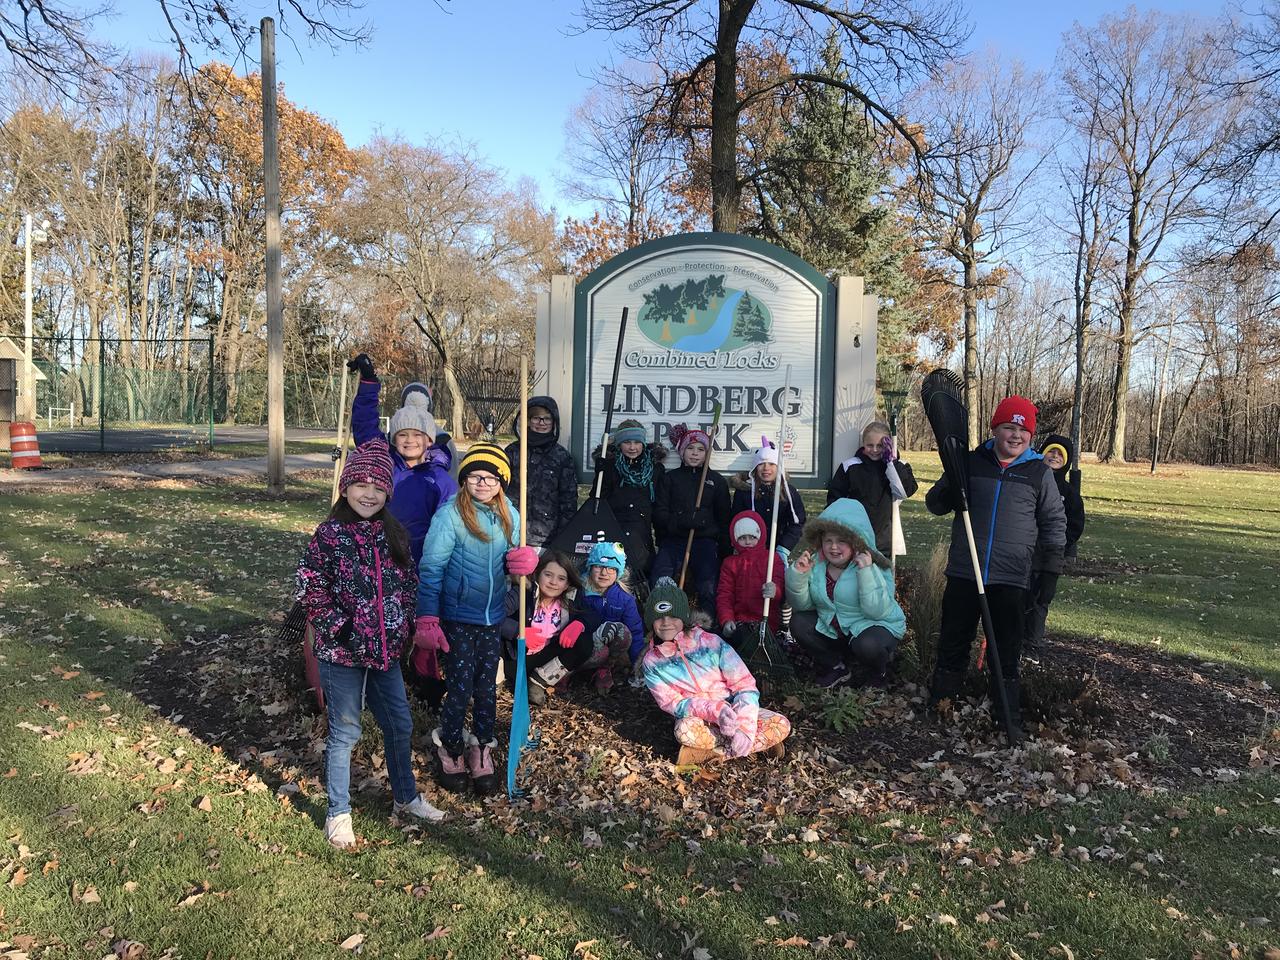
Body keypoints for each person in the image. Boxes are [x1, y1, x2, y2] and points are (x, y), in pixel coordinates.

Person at [295, 439, 446, 848]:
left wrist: (406, 628)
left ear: (388, 493)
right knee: (345, 731)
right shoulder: (330, 534)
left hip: (386, 653)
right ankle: (338, 812)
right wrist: (339, 626)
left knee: (399, 723)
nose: (369, 493)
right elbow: (309, 584)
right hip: (343, 652)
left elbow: (408, 584)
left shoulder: (393, 534)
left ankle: (406, 796)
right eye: (361, 485)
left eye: (378, 487)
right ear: (345, 488)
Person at [924, 396, 1066, 740]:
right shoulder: (971, 463)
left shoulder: (1038, 473)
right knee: (954, 640)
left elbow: (1053, 522)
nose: (1015, 435)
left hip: (1011, 577)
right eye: (1008, 428)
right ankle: (941, 704)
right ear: (995, 429)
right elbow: (935, 503)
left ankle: (1007, 714)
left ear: (1031, 436)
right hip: (965, 571)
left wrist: (1049, 570)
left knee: (1006, 648)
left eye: (1022, 430)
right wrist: (949, 490)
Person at [412, 443, 539, 795]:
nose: (482, 483)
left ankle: (482, 746)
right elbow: (432, 568)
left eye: (491, 477)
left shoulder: (510, 514)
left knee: (487, 689)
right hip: (458, 618)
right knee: (460, 687)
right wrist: (427, 618)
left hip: (492, 618)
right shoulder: (450, 515)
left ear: (502, 482)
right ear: (464, 479)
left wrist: (527, 562)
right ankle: (450, 747)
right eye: (474, 476)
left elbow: (519, 556)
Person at [641, 577, 791, 764]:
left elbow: (744, 684)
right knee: (683, 731)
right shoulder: (652, 662)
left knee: (782, 724)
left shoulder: (711, 642)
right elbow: (674, 704)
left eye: (673, 616)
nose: (666, 622)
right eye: (659, 617)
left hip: (734, 710)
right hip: (700, 718)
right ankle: (749, 746)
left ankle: (717, 751)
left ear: (684, 617)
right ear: (651, 621)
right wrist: (715, 711)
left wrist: (743, 725)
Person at [347, 353, 456, 564]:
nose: (410, 441)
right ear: (393, 439)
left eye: (418, 435)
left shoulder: (440, 479)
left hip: (421, 562)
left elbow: (450, 526)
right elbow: (365, 426)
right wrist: (369, 382)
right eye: (403, 434)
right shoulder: (384, 464)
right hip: (378, 557)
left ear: (430, 440)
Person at [785, 499, 906, 689]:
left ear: (856, 542)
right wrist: (798, 576)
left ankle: (879, 671)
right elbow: (804, 605)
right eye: (828, 541)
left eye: (841, 541)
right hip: (835, 628)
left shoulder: (874, 565)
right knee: (799, 622)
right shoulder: (817, 564)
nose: (834, 547)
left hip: (871, 626)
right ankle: (836, 665)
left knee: (867, 645)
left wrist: (865, 573)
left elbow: (877, 611)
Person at [498, 551, 604, 706]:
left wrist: (579, 624)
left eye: (561, 578)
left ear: (567, 584)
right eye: (548, 575)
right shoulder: (522, 593)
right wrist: (518, 631)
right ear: (537, 574)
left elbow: (594, 615)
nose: (554, 582)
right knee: (489, 637)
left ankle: (539, 681)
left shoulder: (570, 599)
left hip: (545, 659)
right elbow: (493, 615)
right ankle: (493, 679)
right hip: (516, 657)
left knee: (584, 641)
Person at [650, 423, 731, 616]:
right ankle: (662, 621)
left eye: (701, 449)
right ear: (681, 451)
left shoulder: (717, 482)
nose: (695, 454)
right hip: (674, 541)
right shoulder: (671, 479)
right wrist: (681, 521)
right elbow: (660, 514)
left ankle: (708, 628)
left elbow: (724, 518)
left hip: (704, 542)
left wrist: (724, 550)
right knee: (660, 579)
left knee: (708, 584)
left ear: (707, 453)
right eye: (690, 448)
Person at [1023, 433, 1086, 662]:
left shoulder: (1068, 493)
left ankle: (1033, 645)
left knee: (1041, 599)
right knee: (1019, 597)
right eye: (1051, 451)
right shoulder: (1029, 479)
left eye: (1060, 454)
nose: (1055, 456)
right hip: (1024, 550)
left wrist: (1063, 543)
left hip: (1050, 555)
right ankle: (1013, 642)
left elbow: (1076, 523)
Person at [825, 420, 918, 556]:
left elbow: (903, 491)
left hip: (885, 535)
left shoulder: (900, 466)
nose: (874, 450)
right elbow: (835, 500)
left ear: (888, 445)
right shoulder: (850, 466)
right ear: (863, 444)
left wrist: (891, 463)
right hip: (855, 533)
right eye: (870, 445)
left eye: (880, 446)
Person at [504, 396, 578, 549]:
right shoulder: (512, 452)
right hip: (511, 533)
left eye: (547, 419)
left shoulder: (562, 456)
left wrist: (563, 536)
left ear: (554, 422)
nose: (541, 423)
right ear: (528, 420)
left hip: (546, 538)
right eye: (536, 418)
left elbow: (568, 501)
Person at [596, 419, 666, 578]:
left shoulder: (655, 469)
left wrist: (662, 538)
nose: (632, 447)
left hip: (641, 531)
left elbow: (659, 505)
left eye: (637, 442)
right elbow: (598, 498)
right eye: (627, 442)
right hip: (614, 529)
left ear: (643, 443)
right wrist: (600, 472)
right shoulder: (610, 466)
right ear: (619, 444)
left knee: (640, 572)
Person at [715, 511, 786, 660]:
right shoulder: (730, 563)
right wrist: (727, 619)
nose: (747, 542)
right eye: (742, 538)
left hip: (766, 621)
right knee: (725, 638)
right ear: (734, 539)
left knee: (752, 643)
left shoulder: (772, 559)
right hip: (740, 622)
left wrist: (775, 590)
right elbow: (725, 594)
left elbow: (780, 585)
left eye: (752, 537)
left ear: (760, 536)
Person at [577, 540, 646, 692]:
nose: (604, 573)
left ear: (618, 572)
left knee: (623, 632)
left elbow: (635, 631)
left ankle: (604, 668)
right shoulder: (577, 591)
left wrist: (638, 665)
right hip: (578, 646)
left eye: (611, 568)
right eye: (599, 566)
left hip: (605, 651)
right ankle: (567, 670)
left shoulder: (625, 599)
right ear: (590, 568)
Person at [730, 441, 807, 554]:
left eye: (771, 464)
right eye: (761, 464)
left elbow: (797, 522)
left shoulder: (788, 492)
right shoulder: (744, 492)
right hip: (750, 550)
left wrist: (784, 548)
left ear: (779, 467)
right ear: (755, 467)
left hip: (777, 548)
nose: (766, 468)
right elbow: (736, 521)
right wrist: (744, 545)